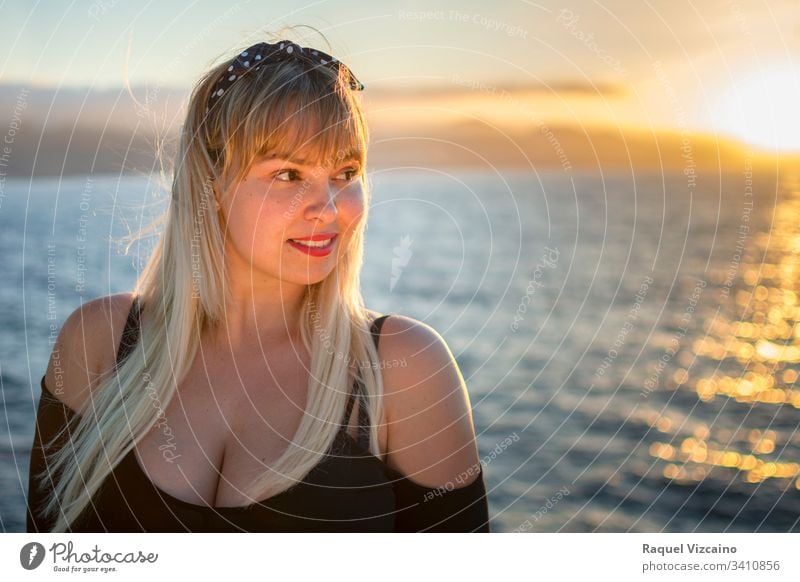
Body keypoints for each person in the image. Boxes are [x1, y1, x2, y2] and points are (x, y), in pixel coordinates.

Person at [27, 36, 490, 532]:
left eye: (345, 172)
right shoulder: (98, 341)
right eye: (289, 174)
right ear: (211, 182)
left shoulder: (403, 369)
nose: (330, 209)